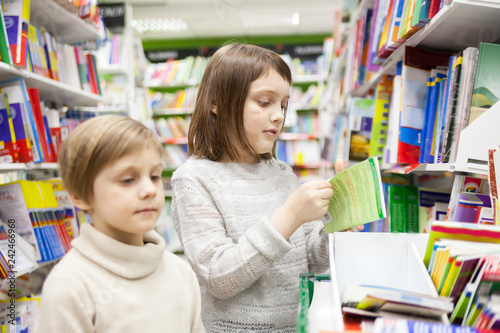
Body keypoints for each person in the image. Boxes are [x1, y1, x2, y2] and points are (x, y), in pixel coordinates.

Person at [171, 43, 345, 332]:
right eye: (264, 102)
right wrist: (290, 215)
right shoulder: (193, 180)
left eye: (284, 104)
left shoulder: (282, 173)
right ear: (216, 102)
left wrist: (338, 224)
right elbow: (219, 277)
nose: (278, 115)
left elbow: (312, 261)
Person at [34, 115, 205, 333]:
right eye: (127, 180)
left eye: (154, 176)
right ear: (79, 196)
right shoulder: (69, 286)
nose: (150, 190)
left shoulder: (180, 271)